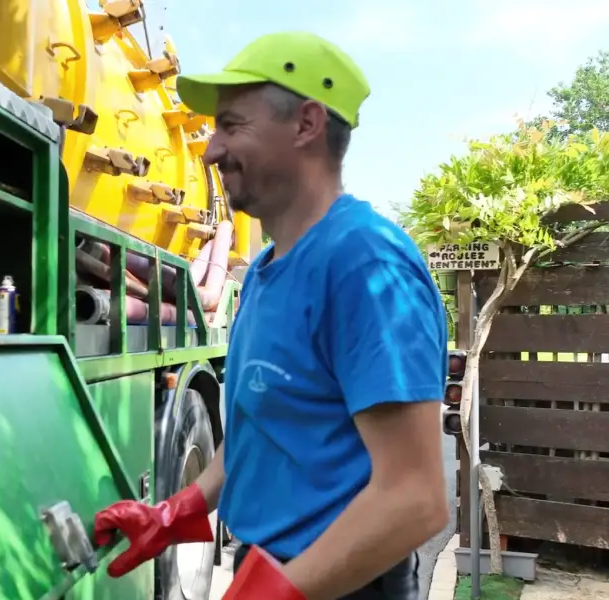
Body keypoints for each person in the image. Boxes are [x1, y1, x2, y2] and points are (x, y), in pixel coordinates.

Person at [92, 31, 449, 600]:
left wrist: (273, 592)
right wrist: (175, 511)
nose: (209, 151)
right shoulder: (262, 274)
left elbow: (415, 499)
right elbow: (264, 430)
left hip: (343, 583)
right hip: (274, 570)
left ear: (306, 124)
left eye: (232, 126)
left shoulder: (364, 265)